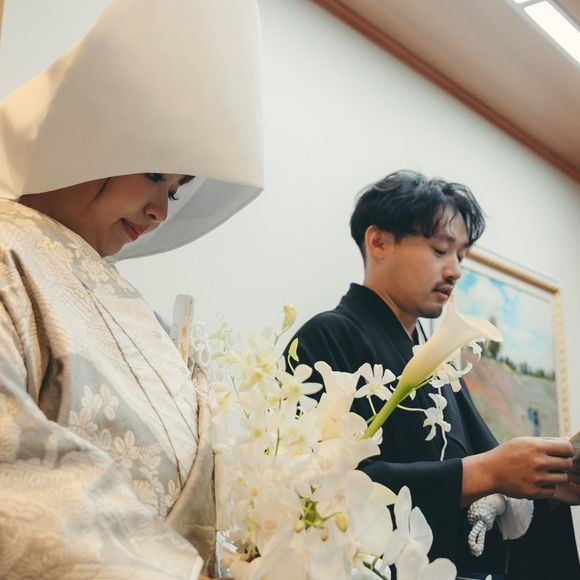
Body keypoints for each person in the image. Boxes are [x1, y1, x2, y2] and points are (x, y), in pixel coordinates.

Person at [0, 0, 262, 578]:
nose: (160, 211)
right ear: (89, 137)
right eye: (154, 175)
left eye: (175, 190)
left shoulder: (126, 299)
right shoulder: (7, 249)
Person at [286, 170, 580, 579]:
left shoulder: (437, 362)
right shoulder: (328, 336)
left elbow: (487, 485)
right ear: (378, 242)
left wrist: (544, 487)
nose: (455, 270)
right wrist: (488, 472)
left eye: (461, 256)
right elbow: (324, 487)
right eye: (441, 249)